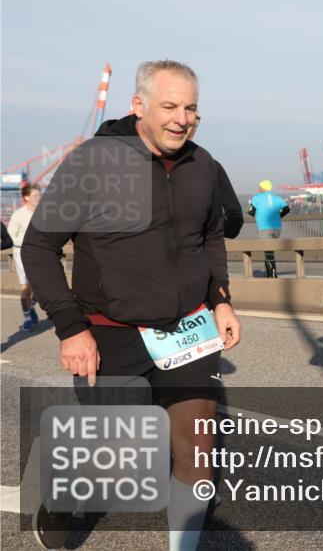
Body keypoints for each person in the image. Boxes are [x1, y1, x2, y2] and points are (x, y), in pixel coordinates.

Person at [22, 60, 241, 550]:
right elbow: (38, 247)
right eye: (170, 106)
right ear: (138, 105)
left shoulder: (203, 165)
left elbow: (209, 236)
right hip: (111, 331)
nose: (182, 119)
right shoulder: (94, 162)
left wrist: (221, 299)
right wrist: (71, 328)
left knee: (197, 448)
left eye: (191, 109)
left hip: (187, 330)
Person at [188, 115, 244, 238]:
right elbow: (235, 217)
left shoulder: (209, 165)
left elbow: (234, 220)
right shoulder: (210, 164)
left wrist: (204, 228)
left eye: (194, 122)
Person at [9, 183, 42, 331]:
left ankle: (31, 306)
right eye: (35, 195)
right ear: (26, 197)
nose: (38, 198)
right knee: (26, 289)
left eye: (39, 195)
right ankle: (27, 317)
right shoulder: (18, 215)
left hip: (39, 253)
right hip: (21, 253)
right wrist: (26, 242)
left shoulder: (42, 213)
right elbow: (10, 237)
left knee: (41, 287)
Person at [248, 179, 288, 277]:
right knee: (268, 251)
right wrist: (278, 216)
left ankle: (273, 275)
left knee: (268, 252)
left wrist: (259, 215)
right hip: (277, 229)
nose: (258, 189)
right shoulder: (277, 198)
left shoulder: (257, 197)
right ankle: (269, 274)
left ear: (263, 188)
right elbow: (287, 209)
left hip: (265, 228)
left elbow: (250, 211)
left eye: (259, 187)